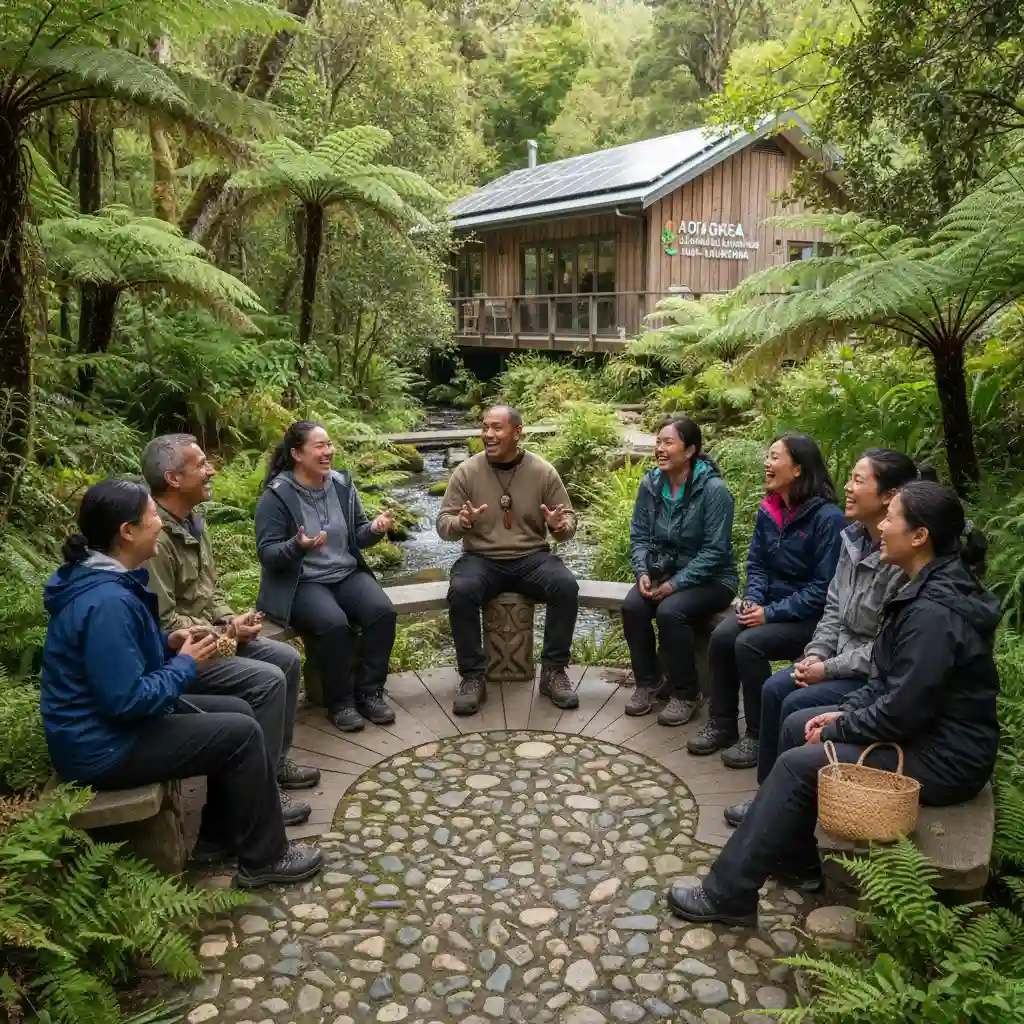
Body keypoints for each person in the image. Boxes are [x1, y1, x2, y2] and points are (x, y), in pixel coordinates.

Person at [668, 480, 1001, 924]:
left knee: (796, 764)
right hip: (925, 732)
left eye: (891, 518)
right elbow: (889, 680)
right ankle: (797, 862)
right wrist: (843, 711)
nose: (881, 527)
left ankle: (727, 895)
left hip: (946, 756)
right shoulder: (924, 589)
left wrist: (839, 727)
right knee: (794, 724)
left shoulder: (933, 612)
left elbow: (903, 708)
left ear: (920, 536)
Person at [40, 479, 323, 888]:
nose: (159, 523)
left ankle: (218, 837)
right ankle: (265, 859)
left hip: (108, 731)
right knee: (240, 732)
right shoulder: (107, 601)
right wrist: (185, 665)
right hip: (100, 747)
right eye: (152, 516)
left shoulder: (107, 582)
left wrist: (166, 643)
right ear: (127, 531)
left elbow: (120, 659)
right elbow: (126, 701)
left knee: (239, 712)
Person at [723, 449, 930, 827]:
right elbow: (833, 609)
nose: (847, 488)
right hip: (835, 655)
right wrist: (815, 654)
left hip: (866, 671)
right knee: (774, 687)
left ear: (889, 496)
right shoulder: (852, 540)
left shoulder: (901, 560)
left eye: (858, 481)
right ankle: (768, 795)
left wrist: (827, 668)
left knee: (795, 704)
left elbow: (887, 647)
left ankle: (788, 808)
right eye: (849, 478)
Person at [142, 434, 320, 830]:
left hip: (212, 637)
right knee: (267, 680)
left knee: (287, 659)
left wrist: (231, 618)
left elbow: (210, 589)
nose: (212, 470)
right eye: (201, 465)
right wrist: (224, 629)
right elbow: (164, 624)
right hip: (180, 655)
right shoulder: (154, 538)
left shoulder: (192, 521)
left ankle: (274, 762)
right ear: (173, 479)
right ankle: (261, 788)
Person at [687, 433, 846, 768]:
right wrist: (753, 599)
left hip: (809, 619)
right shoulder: (769, 509)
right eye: (768, 456)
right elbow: (757, 564)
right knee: (723, 636)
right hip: (767, 608)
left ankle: (759, 736)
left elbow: (824, 588)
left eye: (775, 457)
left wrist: (770, 613)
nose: (767, 463)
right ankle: (723, 722)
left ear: (798, 468)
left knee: (749, 644)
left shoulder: (827, 518)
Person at [255, 421, 398, 734]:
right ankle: (341, 702)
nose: (328, 451)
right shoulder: (277, 496)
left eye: (329, 444)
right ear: (296, 453)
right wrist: (297, 546)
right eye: (319, 446)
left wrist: (374, 530)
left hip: (344, 572)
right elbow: (267, 553)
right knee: (333, 624)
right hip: (302, 581)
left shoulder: (341, 483)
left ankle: (370, 692)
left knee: (382, 612)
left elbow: (357, 535)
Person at [437, 404, 580, 716]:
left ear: (517, 432)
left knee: (565, 586)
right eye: (485, 427)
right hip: (481, 558)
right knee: (461, 591)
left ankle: (554, 672)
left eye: (497, 428)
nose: (488, 434)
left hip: (532, 557)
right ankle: (473, 677)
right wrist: (461, 523)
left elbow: (567, 523)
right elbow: (443, 525)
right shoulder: (466, 472)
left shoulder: (542, 471)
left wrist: (559, 525)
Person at [621, 417, 737, 726]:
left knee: (670, 611)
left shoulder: (714, 491)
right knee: (633, 606)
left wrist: (676, 584)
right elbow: (640, 535)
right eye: (658, 442)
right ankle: (649, 682)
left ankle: (687, 693)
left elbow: (715, 552)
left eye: (668, 442)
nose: (660, 449)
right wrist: (642, 571)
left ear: (690, 451)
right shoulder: (651, 484)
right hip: (663, 572)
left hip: (713, 578)